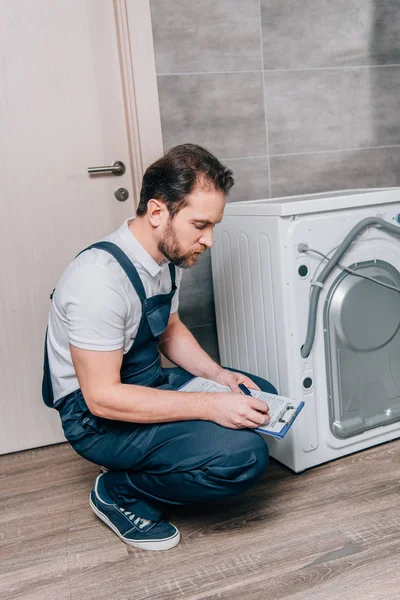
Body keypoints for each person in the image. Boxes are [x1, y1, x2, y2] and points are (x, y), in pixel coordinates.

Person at [42, 143, 277, 551]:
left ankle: (148, 457)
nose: (209, 240)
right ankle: (120, 492)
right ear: (157, 212)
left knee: (260, 397)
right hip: (98, 417)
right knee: (244, 457)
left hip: (148, 383)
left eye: (214, 226)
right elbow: (102, 398)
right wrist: (209, 406)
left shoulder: (167, 257)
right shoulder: (98, 281)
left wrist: (219, 378)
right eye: (200, 225)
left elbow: (169, 331)